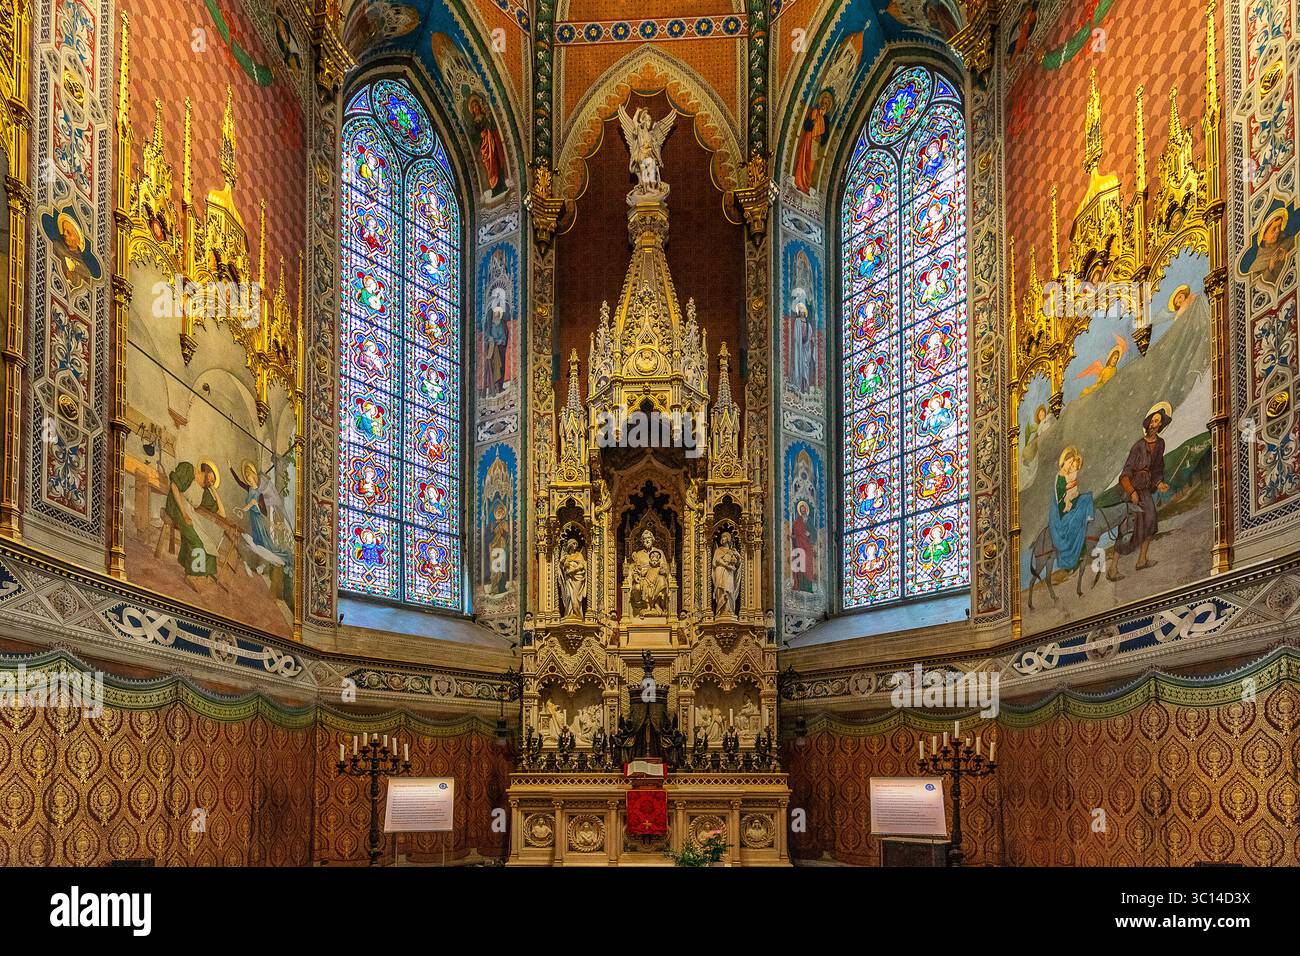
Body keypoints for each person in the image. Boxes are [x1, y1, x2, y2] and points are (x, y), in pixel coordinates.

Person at [1115, 402, 1171, 571]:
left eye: (1159, 422)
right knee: (1126, 528)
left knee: (1151, 521)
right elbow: (1125, 474)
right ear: (1148, 423)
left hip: (1145, 490)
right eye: (1154, 421)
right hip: (1132, 490)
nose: (1156, 424)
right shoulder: (1138, 446)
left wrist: (1159, 482)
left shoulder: (1160, 444)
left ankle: (1141, 560)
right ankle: (1113, 568)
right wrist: (1131, 492)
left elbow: (1157, 468)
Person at [1047, 447, 1095, 572]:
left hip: (1070, 501)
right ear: (1064, 461)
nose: (1071, 466)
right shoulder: (1060, 477)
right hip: (1062, 511)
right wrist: (1069, 496)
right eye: (1069, 463)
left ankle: (1089, 518)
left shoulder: (1069, 474)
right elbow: (1059, 499)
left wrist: (1073, 493)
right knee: (1080, 510)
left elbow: (1072, 490)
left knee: (1087, 496)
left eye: (1072, 463)